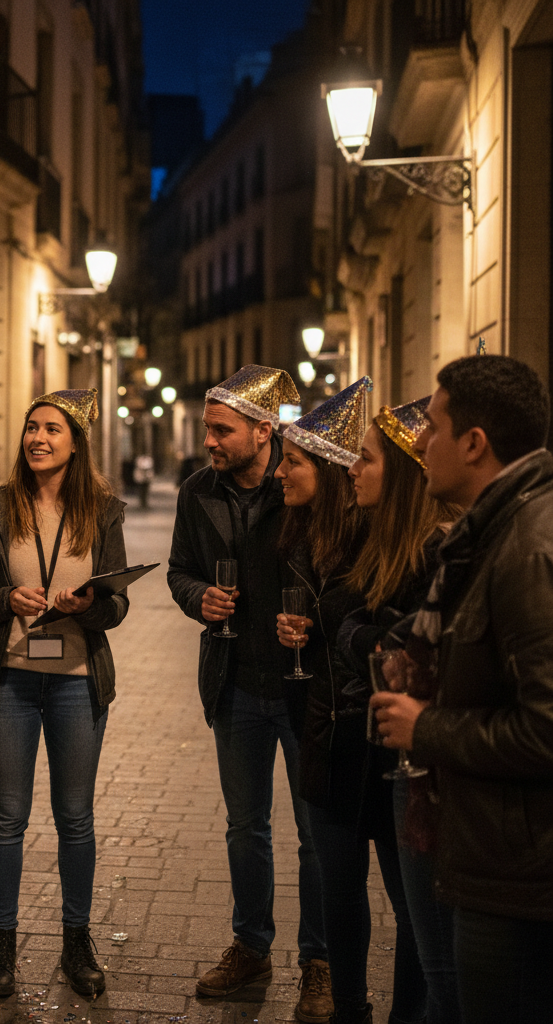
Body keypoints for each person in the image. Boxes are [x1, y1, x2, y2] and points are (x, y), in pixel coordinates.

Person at [370, 355, 553, 1024]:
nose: (418, 442)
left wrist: (427, 727)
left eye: (434, 426)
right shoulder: (489, 535)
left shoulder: (529, 545)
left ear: (475, 443)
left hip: (518, 875)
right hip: (490, 852)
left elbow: (547, 726)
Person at [167, 366, 331, 1023]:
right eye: (208, 428)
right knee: (245, 827)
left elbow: (336, 567)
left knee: (316, 835)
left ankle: (319, 962)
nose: (208, 440)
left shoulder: (301, 483)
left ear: (263, 433)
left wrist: (314, 621)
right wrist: (195, 598)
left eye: (220, 430)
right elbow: (180, 570)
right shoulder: (195, 492)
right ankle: (251, 946)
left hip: (301, 686)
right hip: (234, 682)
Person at [0, 388, 129, 1001]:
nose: (38, 438)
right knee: (7, 817)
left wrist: (91, 604)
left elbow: (119, 604)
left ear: (76, 443)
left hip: (77, 682)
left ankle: (76, 941)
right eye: (31, 428)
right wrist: (6, 599)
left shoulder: (103, 510)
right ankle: (2, 945)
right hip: (9, 681)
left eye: (52, 429)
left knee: (75, 817)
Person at [275, 379, 426, 1024]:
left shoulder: (396, 546)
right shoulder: (298, 534)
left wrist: (339, 627)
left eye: (294, 460)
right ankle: (347, 1009)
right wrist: (307, 635)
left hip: (385, 744)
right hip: (330, 728)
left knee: (411, 901)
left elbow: (399, 648)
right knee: (338, 889)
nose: (281, 473)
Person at [344, 399, 461, 1024]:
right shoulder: (384, 547)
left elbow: (390, 638)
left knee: (436, 954)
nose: (353, 471)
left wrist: (365, 638)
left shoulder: (439, 554)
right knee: (419, 932)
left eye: (365, 459)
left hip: (423, 764)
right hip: (397, 757)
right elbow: (358, 623)